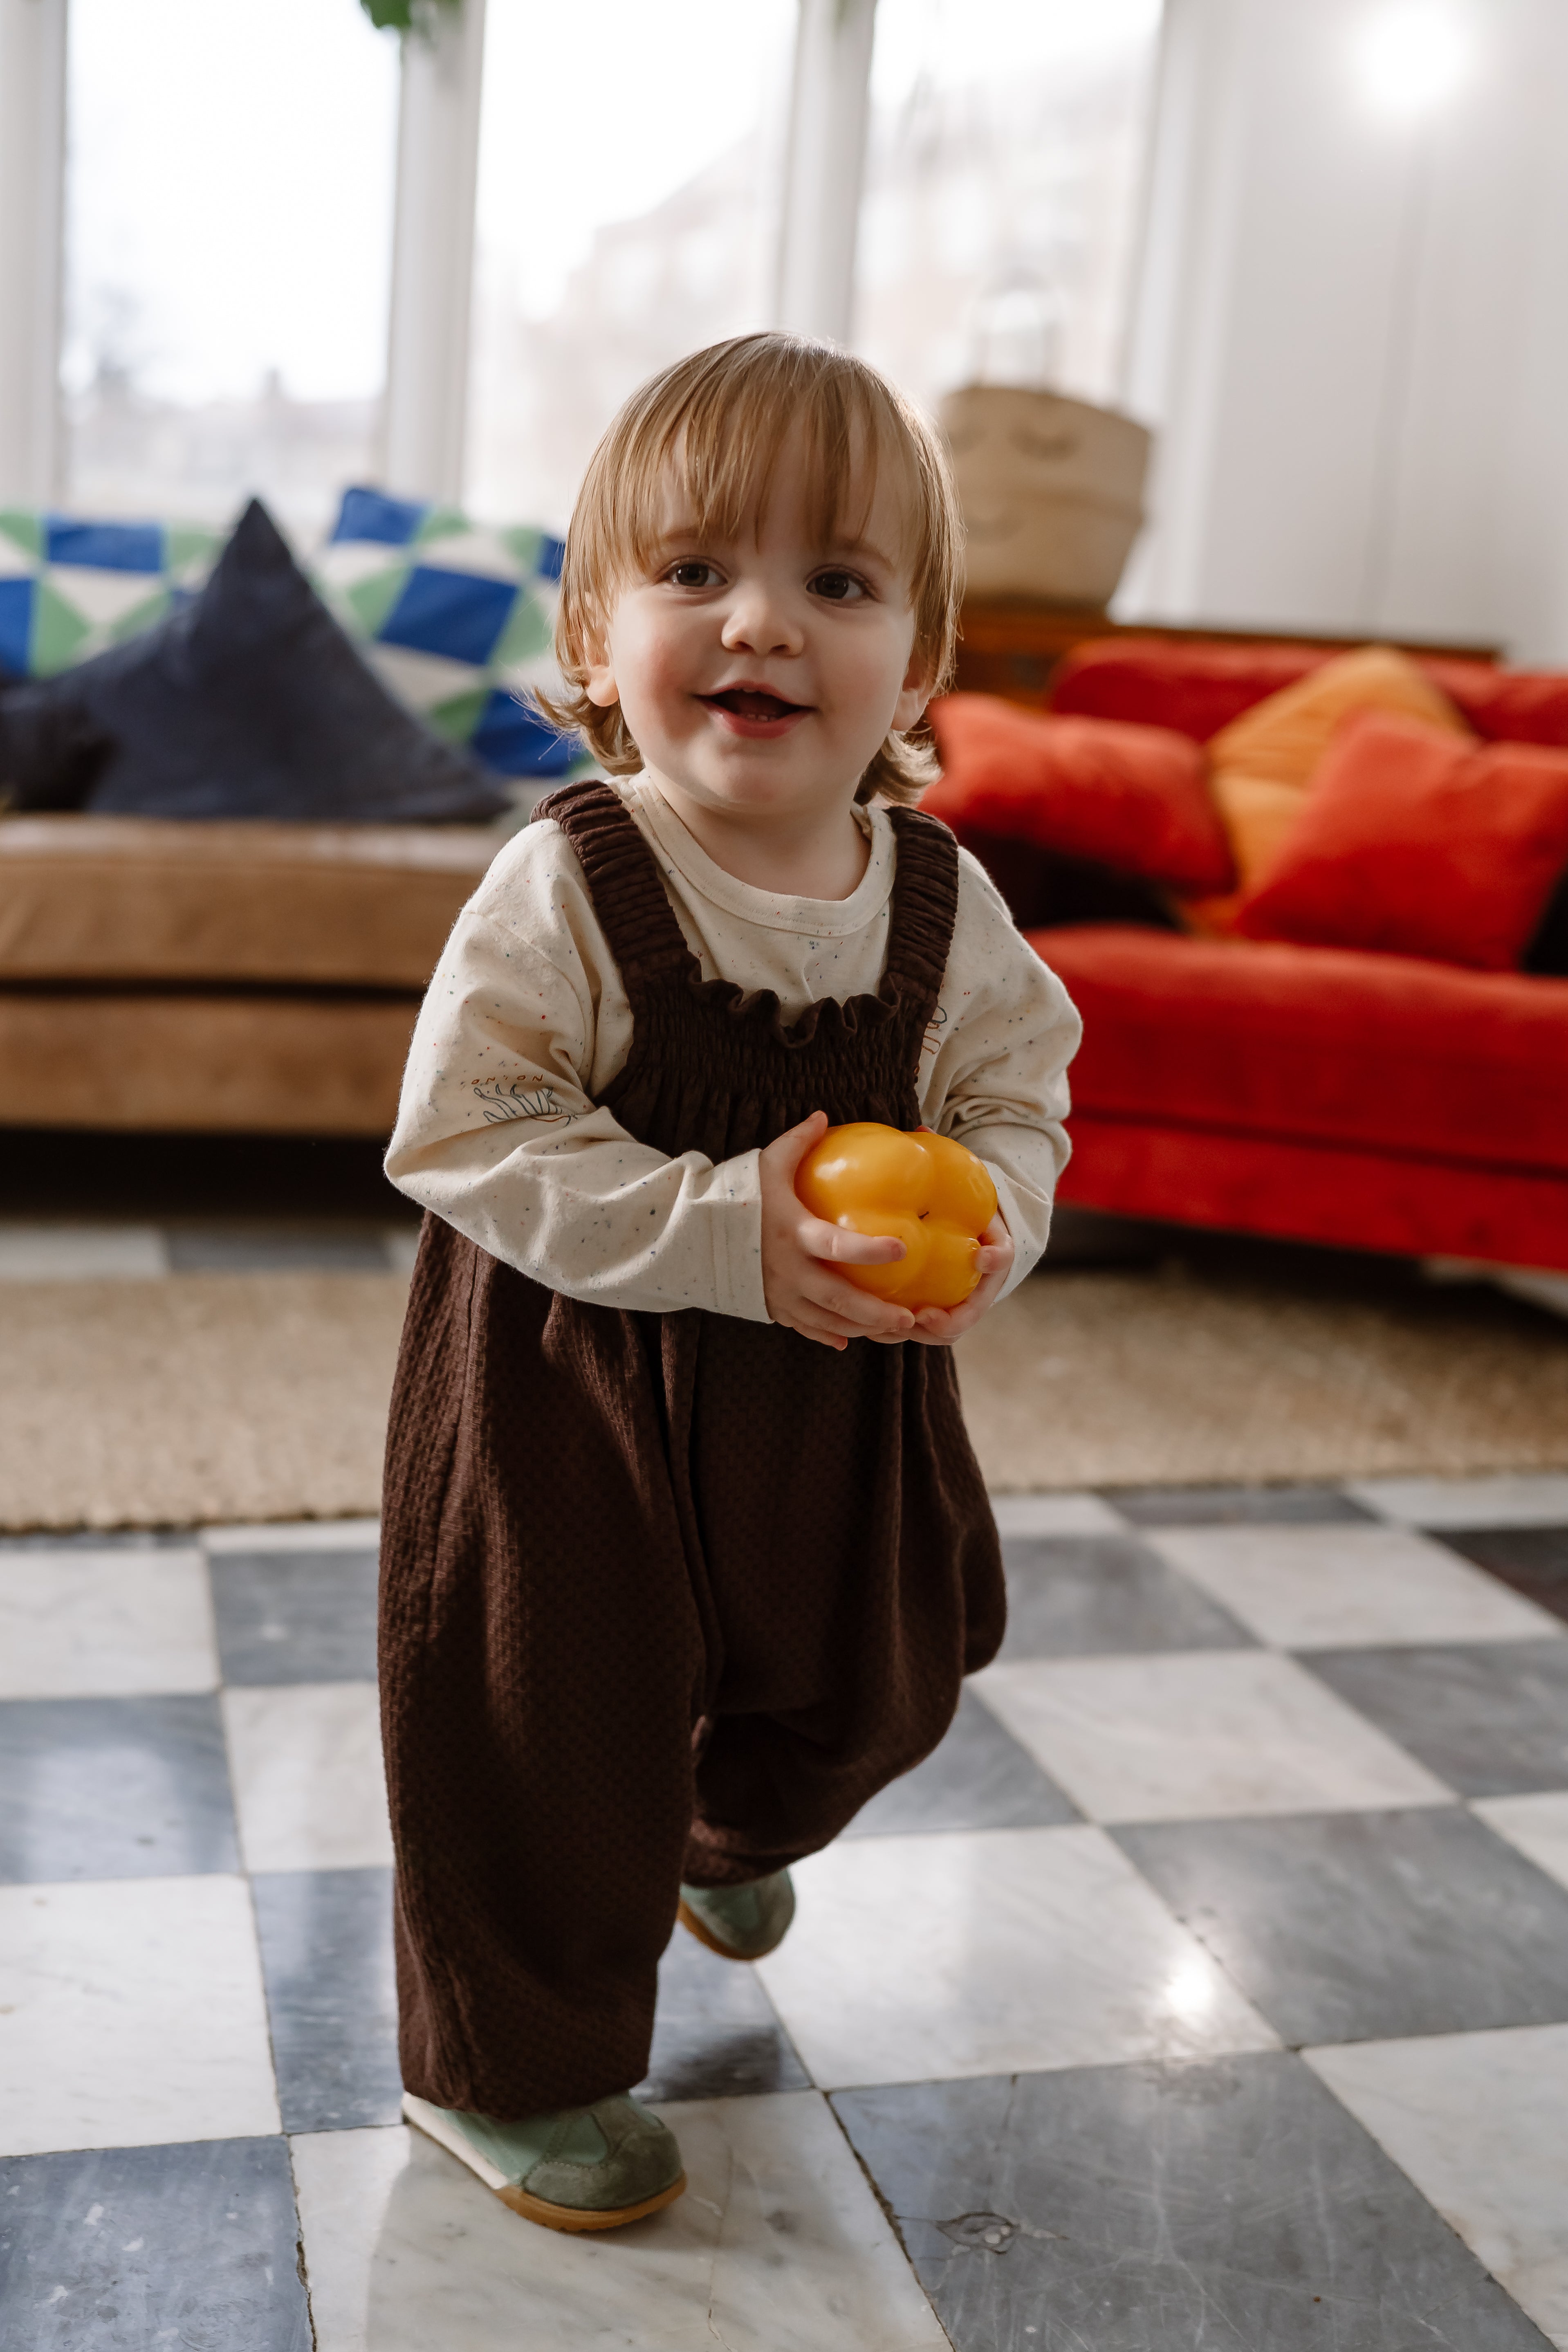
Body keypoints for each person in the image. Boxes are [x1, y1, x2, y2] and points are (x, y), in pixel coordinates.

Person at [379, 331, 1081, 2233]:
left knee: (893, 1659)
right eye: (693, 570)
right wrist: (715, 1226)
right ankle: (507, 2064)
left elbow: (1014, 1096)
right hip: (573, 1390)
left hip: (836, 1383)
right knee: (546, 1724)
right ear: (594, 636)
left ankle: (719, 1825)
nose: (759, 620)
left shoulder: (938, 903)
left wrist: (995, 1220)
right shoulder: (571, 885)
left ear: (916, 664)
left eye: (834, 582)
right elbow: (462, 1132)